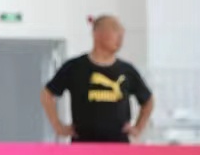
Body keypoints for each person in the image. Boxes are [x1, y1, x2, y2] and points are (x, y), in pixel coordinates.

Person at [43, 15, 154, 143]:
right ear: (96, 34)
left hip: (118, 146)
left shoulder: (127, 70)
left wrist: (138, 128)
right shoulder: (75, 67)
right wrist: (58, 126)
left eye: (121, 32)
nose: (120, 37)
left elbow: (148, 101)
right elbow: (47, 94)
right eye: (114, 30)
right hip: (84, 146)